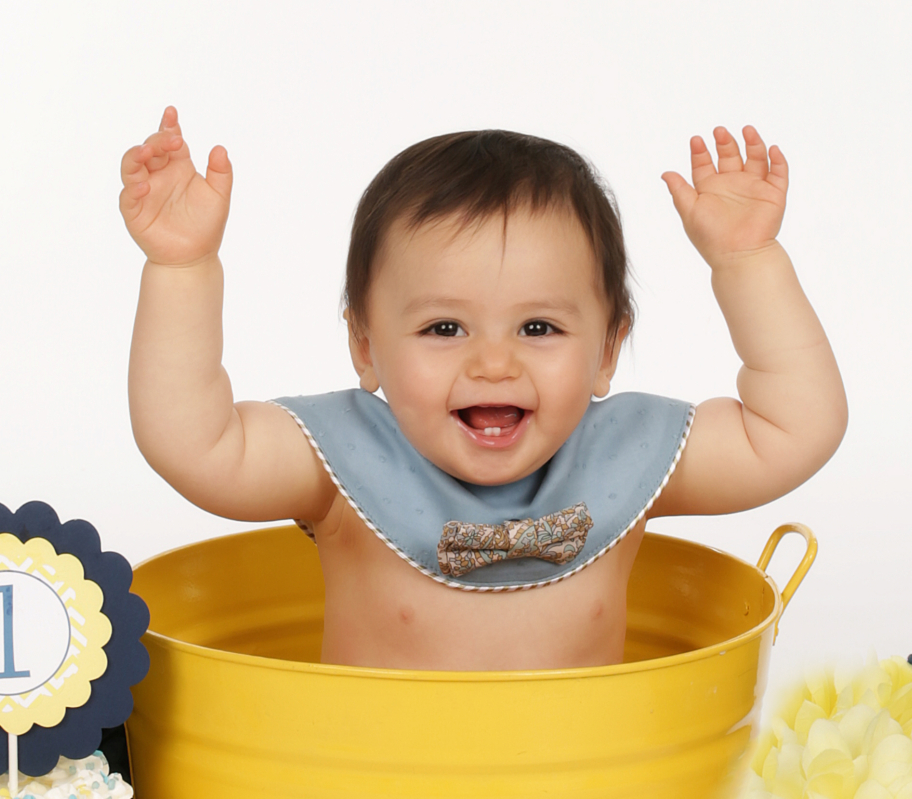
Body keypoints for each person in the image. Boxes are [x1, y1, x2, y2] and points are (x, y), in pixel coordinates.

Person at [119, 107, 846, 670]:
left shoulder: (629, 460)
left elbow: (794, 428)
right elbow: (195, 443)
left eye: (538, 328)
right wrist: (183, 270)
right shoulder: (339, 462)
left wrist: (748, 261)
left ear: (607, 351)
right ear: (365, 346)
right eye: (444, 329)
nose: (493, 365)